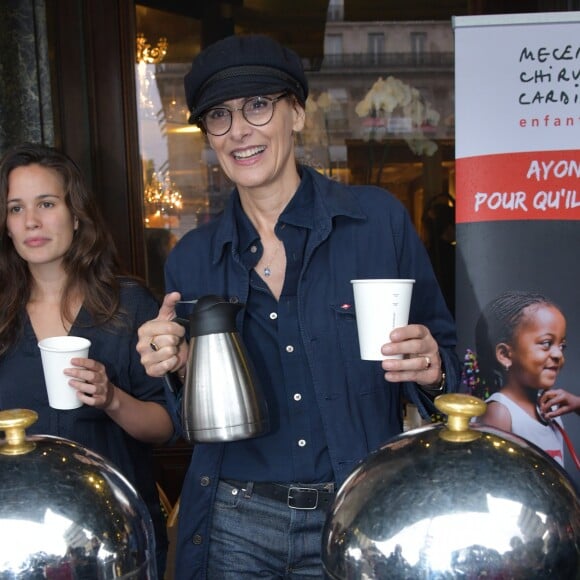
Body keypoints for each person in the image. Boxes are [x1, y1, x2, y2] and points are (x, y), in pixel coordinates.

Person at [136, 34, 460, 580]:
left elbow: (448, 361)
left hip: (355, 507)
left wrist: (434, 370)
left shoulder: (377, 224)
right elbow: (178, 418)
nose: (239, 130)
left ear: (297, 114)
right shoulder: (191, 260)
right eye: (219, 115)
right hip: (235, 522)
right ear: (209, 136)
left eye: (258, 106)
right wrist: (173, 367)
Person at [0, 143, 177, 577]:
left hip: (116, 539)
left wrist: (111, 397)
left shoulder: (128, 305)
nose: (32, 222)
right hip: (18, 543)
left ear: (76, 214)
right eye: (16, 208)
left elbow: (167, 427)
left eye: (46, 203)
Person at [474, 289, 580, 467]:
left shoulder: (550, 408)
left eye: (562, 346)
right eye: (546, 343)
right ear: (505, 355)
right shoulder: (501, 413)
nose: (558, 354)